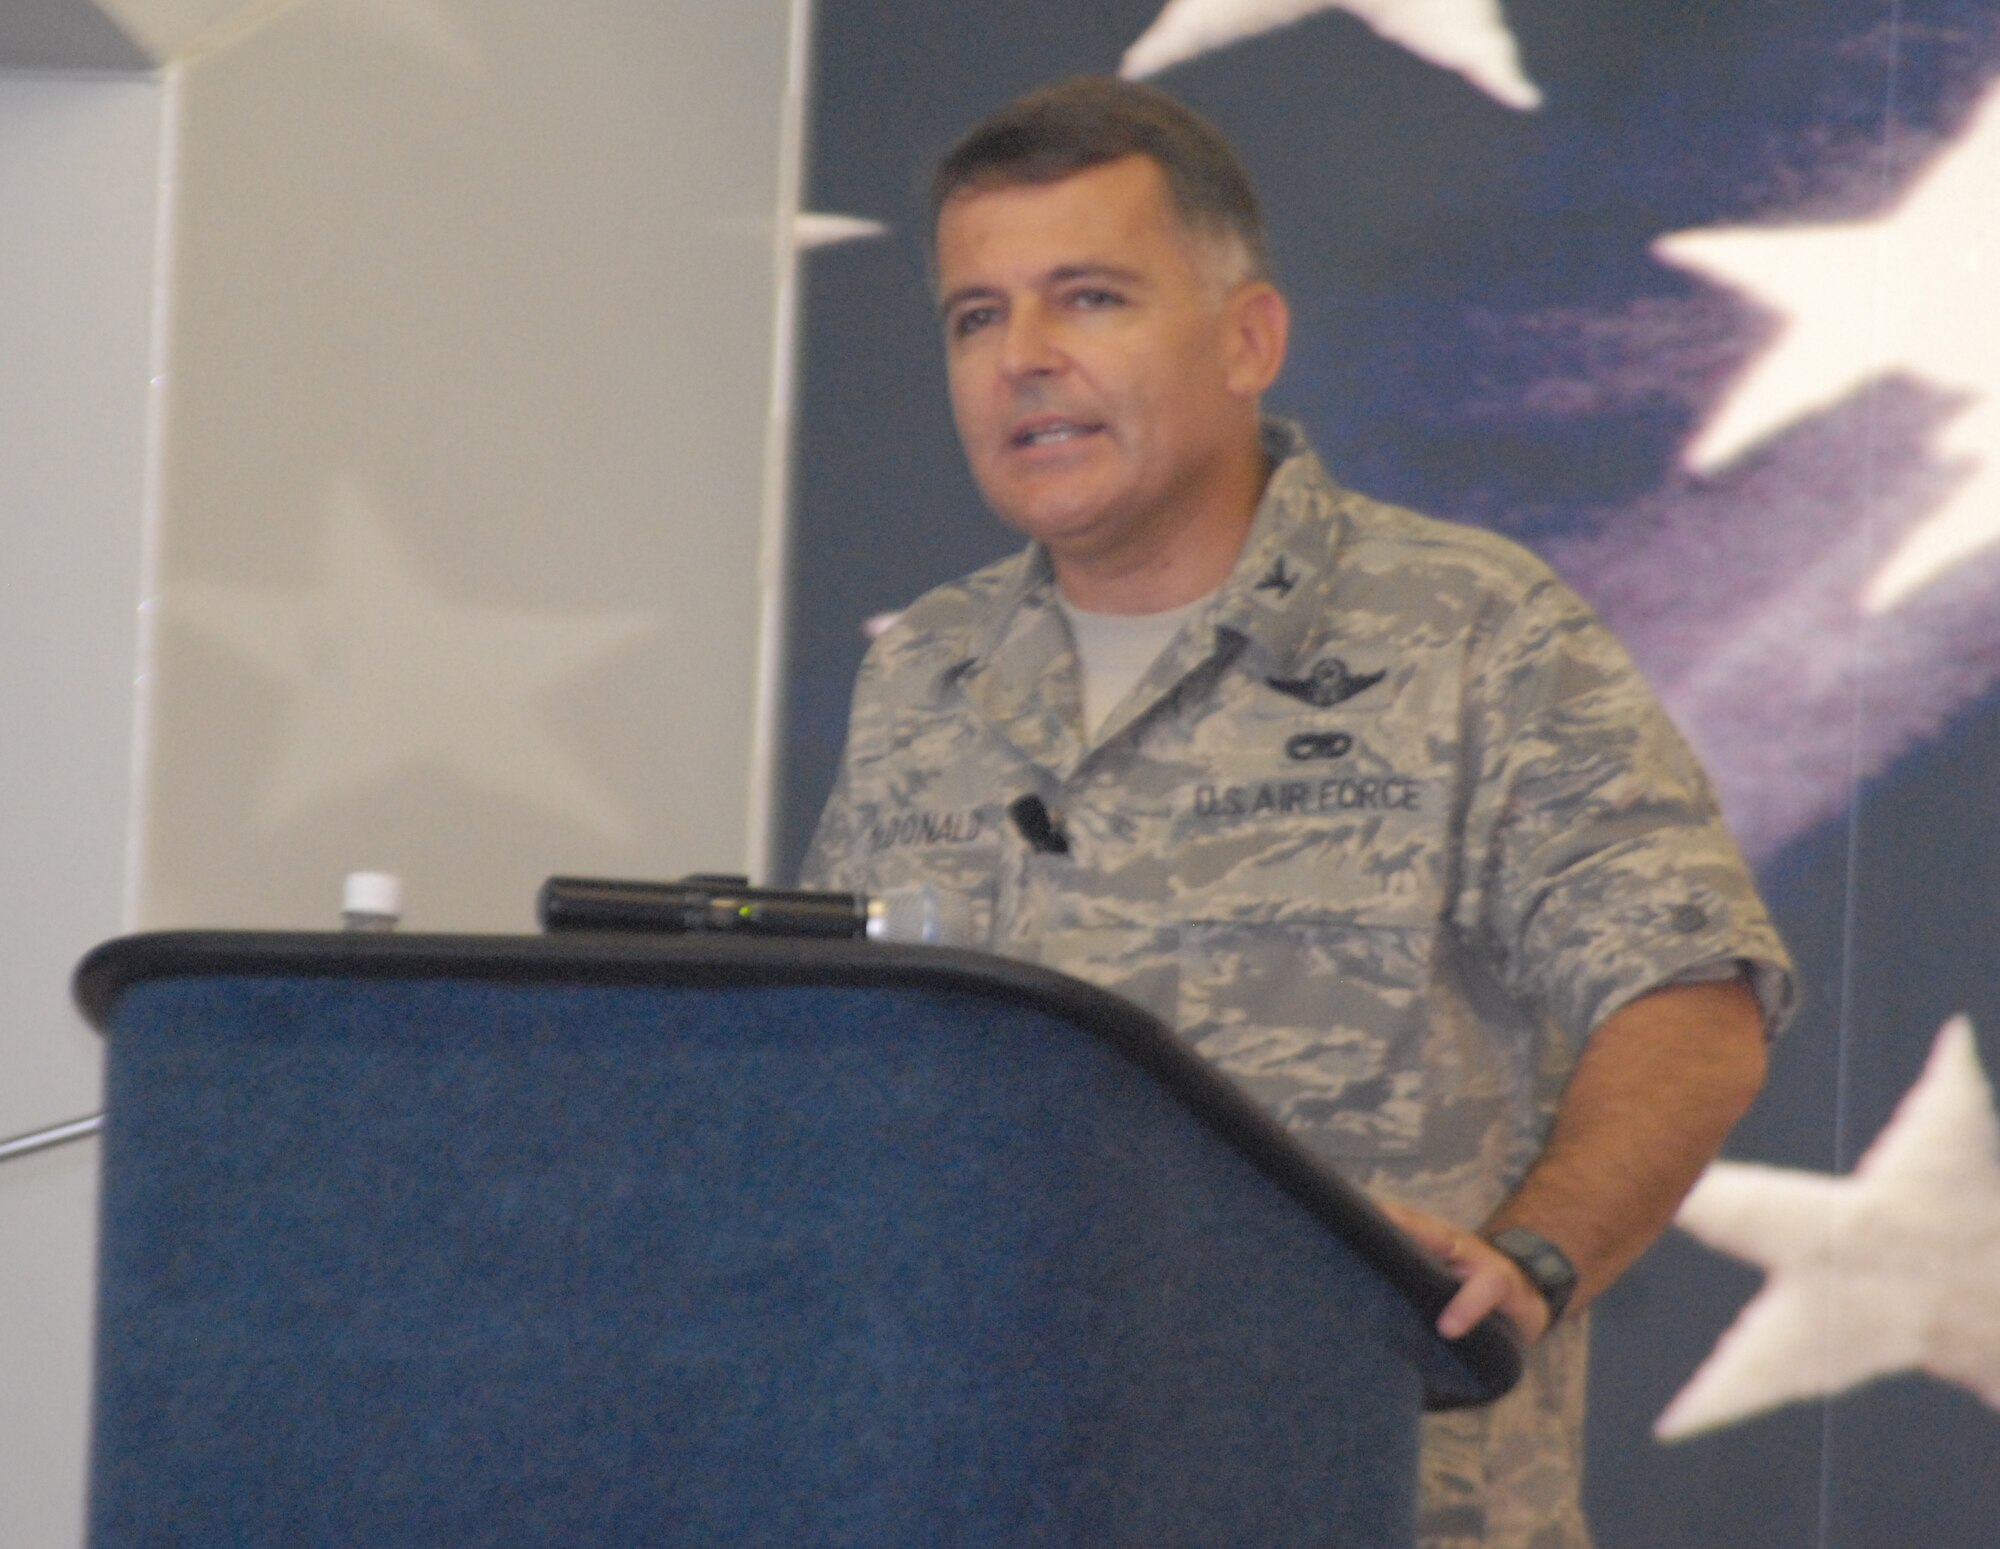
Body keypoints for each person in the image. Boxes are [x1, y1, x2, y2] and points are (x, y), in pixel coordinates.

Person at [801, 75, 1793, 1549]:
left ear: (1247, 339)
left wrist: (1532, 1255)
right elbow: (839, 1073)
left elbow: (1691, 992)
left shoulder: (1470, 630)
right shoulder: (927, 673)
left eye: (1088, 297)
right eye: (976, 316)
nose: (1024, 360)